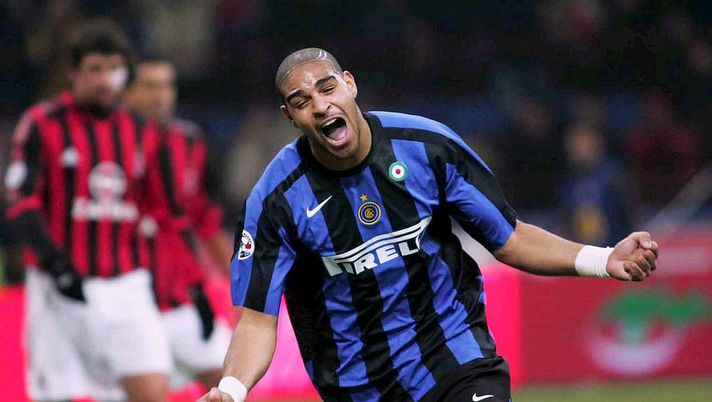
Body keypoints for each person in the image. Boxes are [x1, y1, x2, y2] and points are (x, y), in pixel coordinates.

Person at [201, 48, 659, 402]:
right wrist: (232, 390)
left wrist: (603, 259)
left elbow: (510, 237)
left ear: (350, 85)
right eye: (302, 102)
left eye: (327, 88)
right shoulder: (275, 200)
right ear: (290, 117)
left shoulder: (427, 147)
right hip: (359, 388)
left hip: (454, 358)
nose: (320, 106)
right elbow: (256, 322)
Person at [4, 20, 181, 402]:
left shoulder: (143, 132)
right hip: (58, 287)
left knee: (152, 390)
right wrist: (55, 263)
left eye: (113, 69)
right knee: (57, 395)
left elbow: (164, 214)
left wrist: (185, 281)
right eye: (94, 69)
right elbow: (21, 202)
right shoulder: (43, 124)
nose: (104, 80)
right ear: (73, 73)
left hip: (127, 285)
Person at [124, 59, 234, 390]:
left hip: (183, 293)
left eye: (166, 85)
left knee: (229, 381)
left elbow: (207, 220)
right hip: (130, 299)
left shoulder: (190, 142)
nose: (160, 95)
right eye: (149, 86)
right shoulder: (111, 142)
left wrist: (239, 282)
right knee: (146, 392)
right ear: (128, 92)